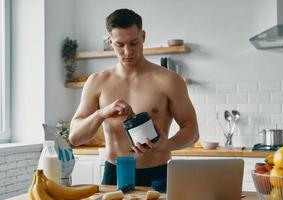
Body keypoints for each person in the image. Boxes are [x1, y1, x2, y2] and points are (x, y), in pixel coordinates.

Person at [69, 8, 199, 187]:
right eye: (119, 45)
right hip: (114, 174)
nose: (127, 52)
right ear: (110, 41)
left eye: (134, 43)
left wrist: (165, 145)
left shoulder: (169, 80)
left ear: (143, 36)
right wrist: (102, 113)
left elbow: (192, 131)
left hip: (158, 174)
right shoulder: (97, 81)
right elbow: (75, 137)